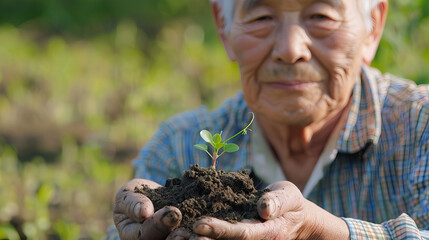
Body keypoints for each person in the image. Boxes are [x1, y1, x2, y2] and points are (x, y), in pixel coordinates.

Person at [107, 0, 429, 239]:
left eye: (321, 16)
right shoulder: (178, 150)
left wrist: (323, 233)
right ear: (223, 26)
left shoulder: (419, 127)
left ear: (372, 26)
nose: (290, 49)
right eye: (262, 17)